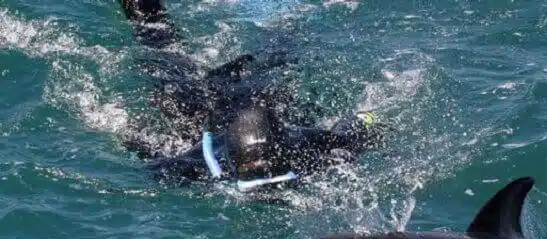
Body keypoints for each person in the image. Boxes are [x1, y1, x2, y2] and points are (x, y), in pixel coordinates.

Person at [119, 0, 388, 191]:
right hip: (206, 105)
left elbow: (357, 126)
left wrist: (368, 122)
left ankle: (284, 18)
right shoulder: (197, 162)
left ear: (284, 148)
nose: (265, 175)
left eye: (270, 168)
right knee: (157, 42)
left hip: (259, 92)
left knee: (280, 50)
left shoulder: (304, 143)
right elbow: (153, 163)